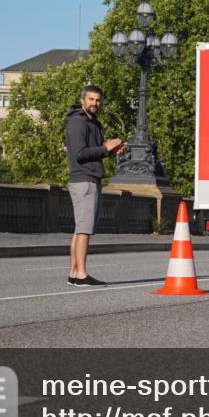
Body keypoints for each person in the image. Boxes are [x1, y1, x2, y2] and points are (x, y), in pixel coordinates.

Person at [65, 85, 126, 287]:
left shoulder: (92, 123)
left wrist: (110, 150)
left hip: (88, 179)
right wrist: (105, 147)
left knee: (80, 229)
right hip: (84, 180)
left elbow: (92, 152)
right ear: (83, 100)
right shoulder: (77, 122)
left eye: (98, 100)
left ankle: (74, 273)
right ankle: (81, 274)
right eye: (91, 99)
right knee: (84, 230)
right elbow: (80, 154)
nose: (95, 103)